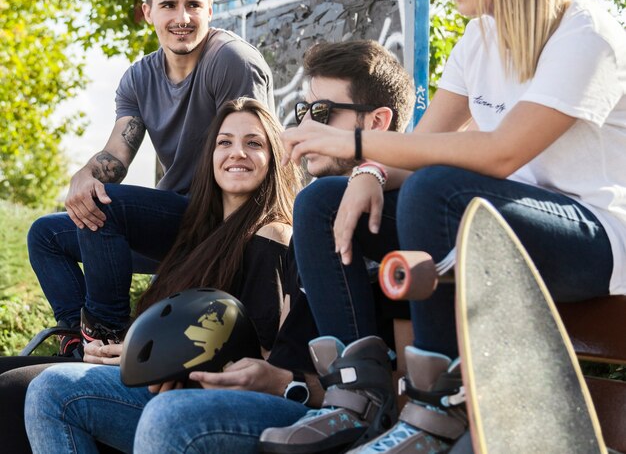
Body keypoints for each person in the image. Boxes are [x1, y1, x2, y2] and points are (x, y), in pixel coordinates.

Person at [268, 0, 626, 453]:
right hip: (490, 224)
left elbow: (500, 152)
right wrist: (367, 173)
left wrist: (354, 143)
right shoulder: (478, 41)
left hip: (591, 240)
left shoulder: (588, 34)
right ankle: (358, 396)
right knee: (321, 201)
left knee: (439, 190)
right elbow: (422, 142)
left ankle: (438, 411)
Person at [21, 40, 416, 454]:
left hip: (300, 410)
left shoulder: (377, 230)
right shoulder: (313, 218)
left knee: (169, 414)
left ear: (377, 122)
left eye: (320, 114)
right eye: (301, 114)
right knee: (49, 388)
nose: (301, 131)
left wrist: (284, 382)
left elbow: (399, 394)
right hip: (267, 395)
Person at [21, 97, 301, 453]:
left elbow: (261, 356)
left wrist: (163, 362)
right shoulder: (197, 235)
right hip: (164, 386)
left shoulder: (271, 235)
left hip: (204, 400)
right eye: (224, 142)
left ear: (273, 158)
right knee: (42, 386)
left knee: (54, 391)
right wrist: (122, 351)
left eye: (254, 143)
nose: (237, 153)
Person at [27, 0, 274, 353]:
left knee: (108, 209)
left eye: (193, 4)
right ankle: (80, 346)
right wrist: (87, 175)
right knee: (47, 234)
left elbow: (255, 158)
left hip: (222, 217)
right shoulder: (138, 78)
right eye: (169, 5)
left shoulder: (231, 61)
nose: (183, 17)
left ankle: (108, 334)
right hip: (175, 219)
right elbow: (116, 156)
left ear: (210, 9)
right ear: (147, 11)